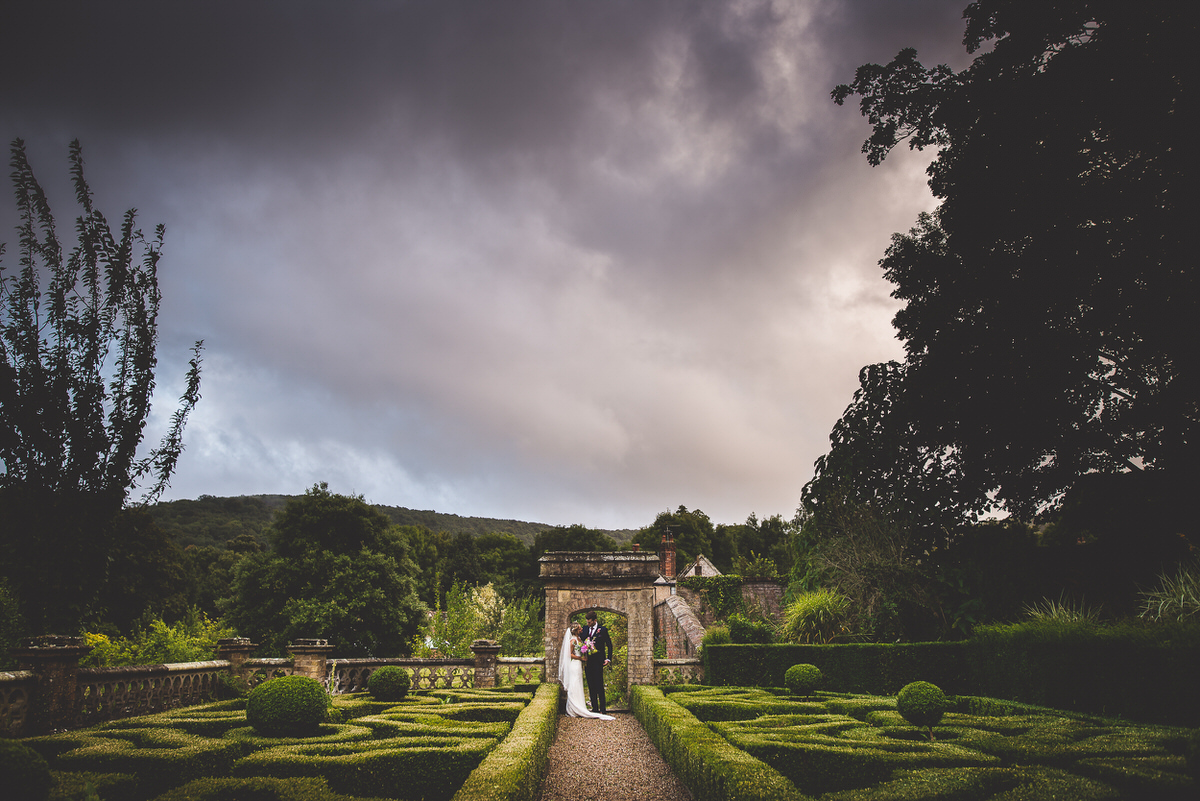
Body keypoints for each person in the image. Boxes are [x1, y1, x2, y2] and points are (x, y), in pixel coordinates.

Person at [557, 622, 613, 719]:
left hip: (581, 665)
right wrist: (581, 658)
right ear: (576, 630)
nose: (582, 629)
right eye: (580, 629)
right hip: (575, 665)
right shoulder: (572, 641)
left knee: (579, 684)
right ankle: (573, 708)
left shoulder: (580, 638)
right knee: (574, 684)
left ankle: (581, 706)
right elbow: (569, 654)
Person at [582, 610, 613, 714]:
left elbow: (609, 645)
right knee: (591, 685)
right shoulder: (585, 629)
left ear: (595, 620)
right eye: (587, 622)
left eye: (590, 622)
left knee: (599, 684)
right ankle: (594, 708)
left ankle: (603, 709)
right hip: (588, 662)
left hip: (599, 661)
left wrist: (608, 658)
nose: (588, 624)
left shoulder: (603, 630)